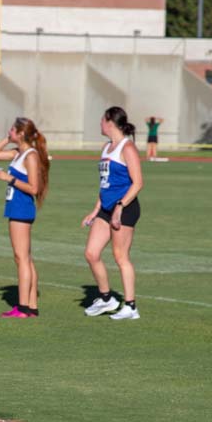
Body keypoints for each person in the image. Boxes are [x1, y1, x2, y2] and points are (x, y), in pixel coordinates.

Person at [82, 106, 144, 320]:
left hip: (125, 209)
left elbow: (138, 183)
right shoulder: (106, 147)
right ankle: (107, 299)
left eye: (101, 120)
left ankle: (130, 306)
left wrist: (119, 207)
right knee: (91, 253)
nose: (99, 124)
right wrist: (95, 210)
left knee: (120, 256)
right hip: (106, 208)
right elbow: (105, 184)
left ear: (110, 122)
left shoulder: (127, 148)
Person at [0, 117, 49, 318]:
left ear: (21, 133)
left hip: (22, 209)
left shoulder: (30, 156)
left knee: (21, 258)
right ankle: (31, 306)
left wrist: (8, 178)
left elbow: (34, 187)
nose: (9, 131)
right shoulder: (18, 153)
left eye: (12, 130)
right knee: (25, 259)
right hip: (16, 208)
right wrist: (7, 139)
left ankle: (22, 308)